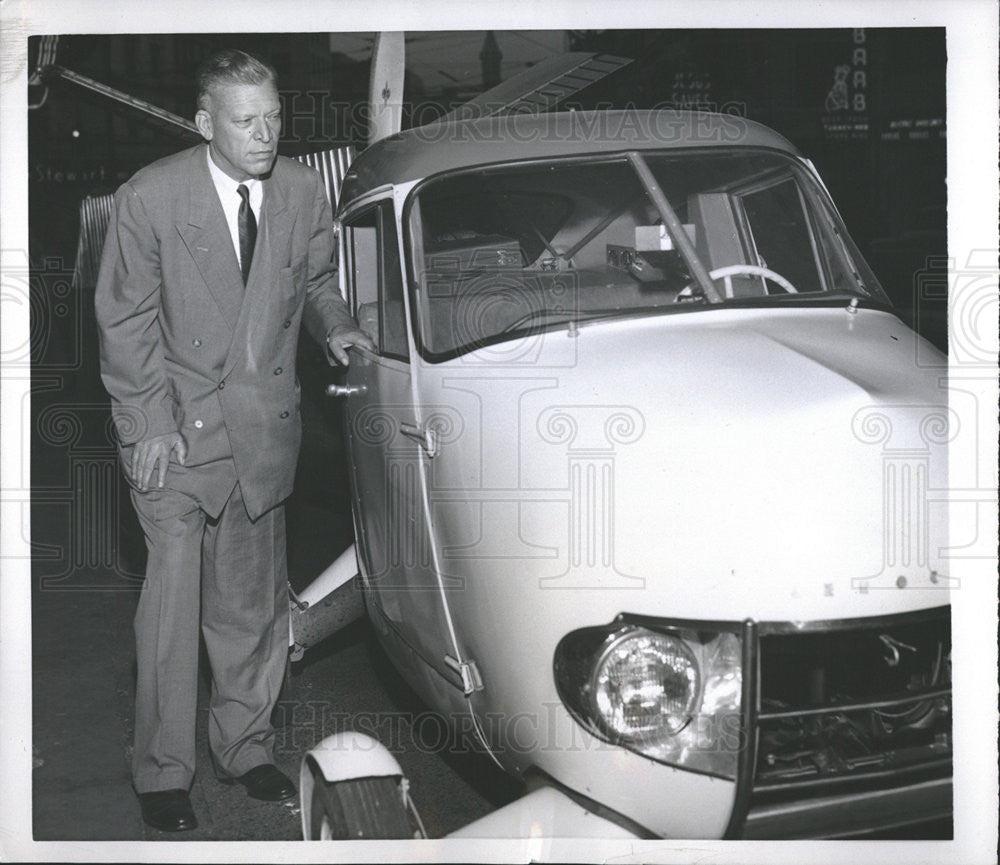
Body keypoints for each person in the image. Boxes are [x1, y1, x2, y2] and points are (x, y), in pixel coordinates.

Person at [95, 48, 374, 833]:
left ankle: (246, 746)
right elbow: (125, 324)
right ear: (204, 122)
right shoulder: (150, 198)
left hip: (259, 428)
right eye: (246, 120)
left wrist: (340, 325)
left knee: (249, 610)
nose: (266, 134)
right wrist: (147, 425)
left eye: (275, 116)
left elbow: (316, 284)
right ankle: (162, 770)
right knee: (173, 610)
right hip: (174, 435)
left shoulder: (300, 190)